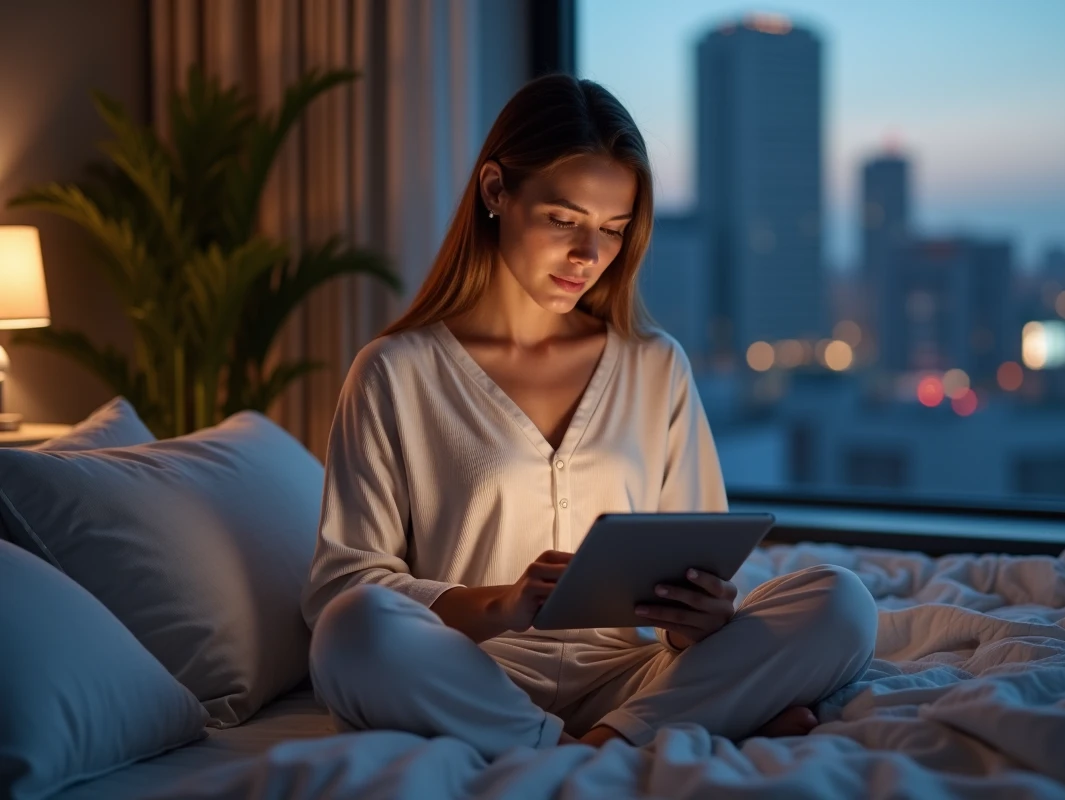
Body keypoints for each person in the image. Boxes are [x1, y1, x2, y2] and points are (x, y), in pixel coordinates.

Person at [301, 73, 877, 758]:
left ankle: (589, 741)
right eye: (564, 220)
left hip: (635, 674)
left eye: (612, 229)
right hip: (472, 673)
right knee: (350, 629)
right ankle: (630, 740)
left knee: (843, 603)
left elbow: (705, 558)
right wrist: (498, 604)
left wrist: (704, 619)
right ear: (495, 192)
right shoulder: (394, 371)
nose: (589, 256)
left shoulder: (654, 364)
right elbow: (345, 584)